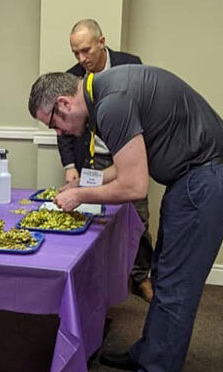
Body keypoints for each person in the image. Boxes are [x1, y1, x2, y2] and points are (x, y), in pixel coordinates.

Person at [28, 66, 223, 372]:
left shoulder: (111, 103)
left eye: (52, 123)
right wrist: (91, 181)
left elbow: (133, 185)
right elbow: (126, 162)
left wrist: (79, 196)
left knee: (176, 283)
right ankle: (149, 352)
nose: (59, 132)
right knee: (163, 271)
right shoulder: (106, 91)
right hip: (198, 176)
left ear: (64, 103)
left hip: (207, 178)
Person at [58, 19, 153, 302]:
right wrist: (70, 167)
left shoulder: (130, 64)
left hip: (128, 152)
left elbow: (144, 107)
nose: (81, 58)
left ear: (102, 42)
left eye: (86, 50)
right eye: (75, 52)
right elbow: (62, 129)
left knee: (138, 217)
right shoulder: (72, 77)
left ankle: (140, 277)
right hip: (92, 158)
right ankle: (99, 279)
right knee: (95, 219)